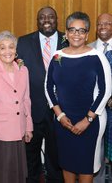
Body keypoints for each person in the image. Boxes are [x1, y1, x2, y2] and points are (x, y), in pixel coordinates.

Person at [45, 11, 111, 183]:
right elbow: (48, 87)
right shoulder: (57, 56)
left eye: (81, 31)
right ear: (66, 33)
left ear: (87, 34)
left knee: (85, 164)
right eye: (72, 30)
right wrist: (60, 116)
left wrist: (87, 120)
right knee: (67, 163)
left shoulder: (97, 57)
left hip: (90, 122)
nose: (77, 34)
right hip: (63, 121)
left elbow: (106, 91)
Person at [17, 6, 68, 183]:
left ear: (57, 19)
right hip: (32, 110)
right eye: (42, 17)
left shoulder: (68, 40)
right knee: (31, 158)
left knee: (57, 158)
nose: (46, 20)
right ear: (37, 21)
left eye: (51, 17)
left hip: (61, 111)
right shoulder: (23, 42)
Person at [0, 30, 33, 183]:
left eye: (11, 47)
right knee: (2, 174)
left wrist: (28, 127)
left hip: (19, 129)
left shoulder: (23, 70)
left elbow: (26, 100)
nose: (7, 51)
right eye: (2, 47)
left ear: (16, 50)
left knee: (16, 174)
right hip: (0, 134)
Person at [89, 13, 112, 183]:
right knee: (96, 150)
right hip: (93, 110)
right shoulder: (87, 49)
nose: (103, 27)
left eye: (107, 23)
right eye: (99, 24)